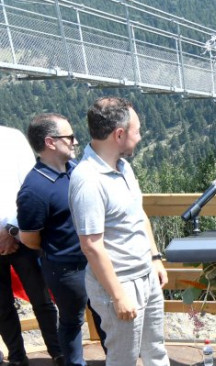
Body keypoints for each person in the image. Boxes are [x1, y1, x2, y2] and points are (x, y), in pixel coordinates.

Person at [68, 97, 169, 366]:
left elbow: (139, 215)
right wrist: (118, 295)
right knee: (123, 359)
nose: (140, 136)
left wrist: (155, 258)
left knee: (156, 350)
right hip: (120, 284)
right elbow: (91, 245)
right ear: (119, 134)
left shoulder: (124, 167)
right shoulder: (88, 180)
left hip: (146, 275)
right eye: (137, 130)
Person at [16, 113, 108, 366]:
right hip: (65, 269)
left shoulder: (75, 169)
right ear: (50, 142)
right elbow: (30, 239)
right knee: (72, 321)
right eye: (69, 137)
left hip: (93, 260)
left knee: (105, 314)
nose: (75, 141)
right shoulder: (34, 189)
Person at [0, 125, 63, 366]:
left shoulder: (12, 138)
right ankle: (17, 357)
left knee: (42, 299)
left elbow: (31, 186)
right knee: (1, 306)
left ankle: (57, 352)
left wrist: (11, 230)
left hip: (21, 234)